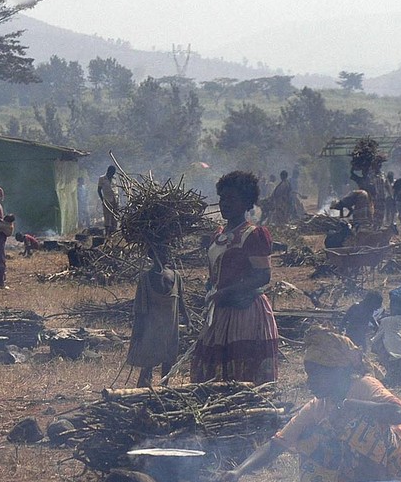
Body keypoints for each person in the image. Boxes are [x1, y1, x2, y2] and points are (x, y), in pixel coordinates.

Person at [224, 330, 401, 482]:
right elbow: (277, 444)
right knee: (308, 437)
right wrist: (239, 471)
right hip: (363, 479)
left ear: (338, 372)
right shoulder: (318, 406)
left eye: (316, 374)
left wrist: (353, 405)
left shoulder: (364, 385)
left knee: (363, 424)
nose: (309, 381)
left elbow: (398, 414)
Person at [192, 171, 279, 384]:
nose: (224, 204)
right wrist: (212, 291)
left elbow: (263, 275)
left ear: (246, 202)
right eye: (222, 198)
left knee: (241, 373)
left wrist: (227, 292)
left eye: (231, 199)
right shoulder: (217, 235)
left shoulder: (254, 235)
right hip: (220, 311)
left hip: (246, 313)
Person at [127, 245, 187, 388]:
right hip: (151, 327)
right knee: (148, 361)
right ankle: (143, 388)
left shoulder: (175, 276)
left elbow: (181, 301)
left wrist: (188, 320)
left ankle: (163, 387)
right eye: (160, 253)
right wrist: (138, 331)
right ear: (152, 256)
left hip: (170, 327)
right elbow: (140, 308)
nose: (164, 256)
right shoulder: (146, 278)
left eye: (165, 252)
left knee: (168, 359)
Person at [98, 165, 119, 235]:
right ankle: (107, 233)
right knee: (107, 216)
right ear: (109, 171)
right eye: (112, 172)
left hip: (115, 199)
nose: (113, 174)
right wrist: (102, 199)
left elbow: (116, 188)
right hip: (107, 199)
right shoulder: (102, 178)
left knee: (115, 215)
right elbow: (99, 190)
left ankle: (114, 232)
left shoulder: (115, 178)